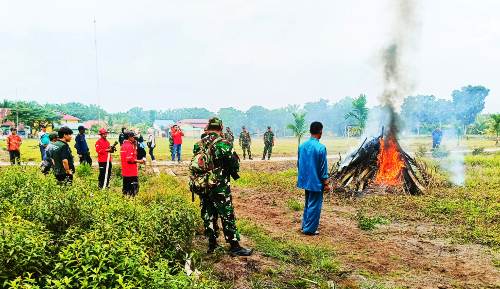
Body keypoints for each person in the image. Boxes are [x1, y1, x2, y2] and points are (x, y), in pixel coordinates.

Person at [189, 117, 252, 256]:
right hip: (219, 186)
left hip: (203, 185)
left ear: (208, 128)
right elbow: (234, 165)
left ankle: (212, 244)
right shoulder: (223, 144)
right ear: (220, 128)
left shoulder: (198, 144)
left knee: (208, 213)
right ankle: (234, 246)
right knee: (227, 213)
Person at [297, 122, 329, 236]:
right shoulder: (321, 148)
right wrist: (325, 182)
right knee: (314, 205)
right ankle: (309, 229)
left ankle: (305, 226)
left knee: (308, 204)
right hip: (316, 182)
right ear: (320, 131)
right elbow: (323, 167)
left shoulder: (302, 146)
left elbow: (299, 164)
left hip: (305, 180)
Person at [120, 130, 145, 196]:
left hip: (125, 172)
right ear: (129, 137)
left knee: (125, 190)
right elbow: (129, 159)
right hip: (131, 172)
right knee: (134, 191)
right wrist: (140, 161)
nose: (135, 139)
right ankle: (133, 203)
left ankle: (125, 202)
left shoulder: (123, 145)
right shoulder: (129, 146)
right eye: (134, 137)